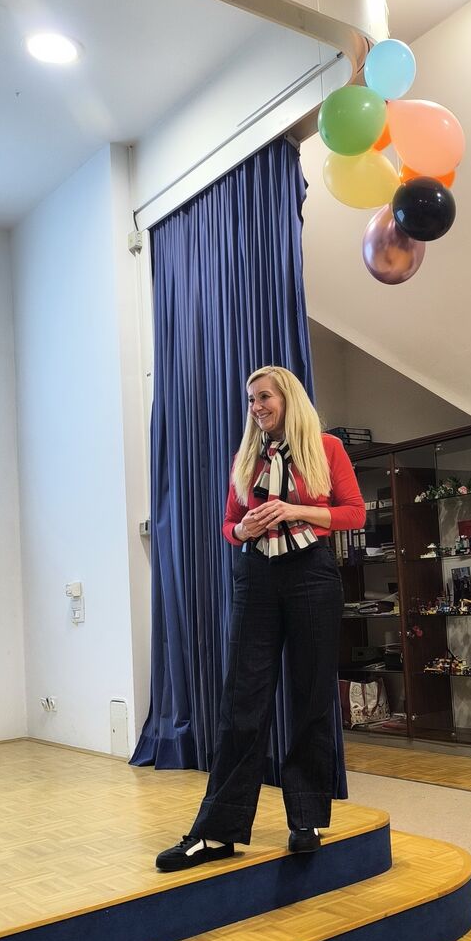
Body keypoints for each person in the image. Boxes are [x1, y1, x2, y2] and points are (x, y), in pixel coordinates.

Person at [155, 365, 365, 872]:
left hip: (312, 574)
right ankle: (217, 832)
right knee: (241, 702)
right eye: (251, 400)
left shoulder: (327, 449)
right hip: (256, 575)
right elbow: (228, 525)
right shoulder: (246, 458)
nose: (256, 408)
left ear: (287, 398)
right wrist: (243, 529)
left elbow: (354, 513)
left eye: (264, 397)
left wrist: (297, 512)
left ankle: (306, 819)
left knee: (311, 698)